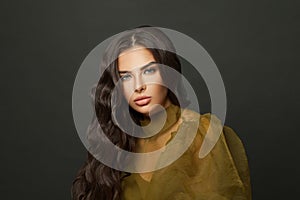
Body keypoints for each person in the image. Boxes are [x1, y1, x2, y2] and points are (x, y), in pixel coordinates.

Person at [72, 26, 252, 200]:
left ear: (169, 73)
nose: (138, 86)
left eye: (149, 70)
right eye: (126, 76)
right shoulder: (119, 141)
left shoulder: (202, 133)